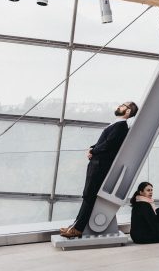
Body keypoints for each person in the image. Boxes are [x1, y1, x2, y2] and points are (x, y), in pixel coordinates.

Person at [59, 101, 138, 238]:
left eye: (123, 105)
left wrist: (93, 150)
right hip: (97, 163)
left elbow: (109, 145)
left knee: (89, 196)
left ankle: (78, 228)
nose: (119, 105)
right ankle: (75, 225)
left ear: (128, 112)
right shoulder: (116, 124)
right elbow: (104, 142)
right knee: (87, 195)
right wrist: (92, 149)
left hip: (100, 165)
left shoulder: (121, 127)